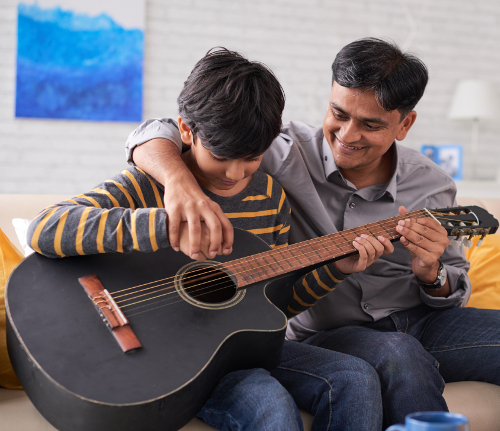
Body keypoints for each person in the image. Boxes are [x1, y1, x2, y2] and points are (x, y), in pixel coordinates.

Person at [125, 37, 500, 429]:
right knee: (398, 353)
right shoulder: (277, 150)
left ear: (405, 124)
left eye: (370, 125)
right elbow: (163, 129)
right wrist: (177, 182)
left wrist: (431, 272)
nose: (348, 134)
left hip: (423, 319)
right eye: (339, 113)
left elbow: (452, 291)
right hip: (332, 331)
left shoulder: (432, 184)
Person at [27, 48, 392, 431]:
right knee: (270, 405)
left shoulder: (269, 198)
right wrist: (165, 225)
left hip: (239, 348)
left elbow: (275, 308)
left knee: (356, 378)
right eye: (221, 155)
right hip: (169, 357)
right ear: (186, 131)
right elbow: (44, 228)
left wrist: (335, 269)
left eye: (252, 157)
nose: (235, 173)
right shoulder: (146, 184)